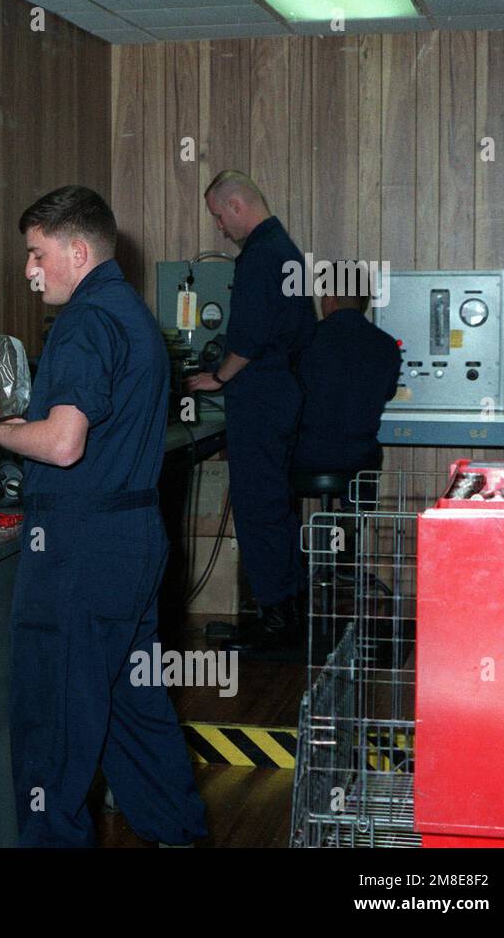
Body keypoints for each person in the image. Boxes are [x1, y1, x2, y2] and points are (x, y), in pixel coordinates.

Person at [0, 185, 207, 847]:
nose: (29, 270)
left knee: (52, 732)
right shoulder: (131, 316)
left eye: (37, 254)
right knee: (133, 712)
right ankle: (181, 835)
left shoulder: (82, 323)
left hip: (78, 551)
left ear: (76, 249)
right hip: (131, 541)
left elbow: (64, 443)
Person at [184, 170, 316, 649]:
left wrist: (217, 377)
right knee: (275, 503)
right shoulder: (285, 250)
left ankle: (275, 621)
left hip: (261, 399)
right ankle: (288, 608)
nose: (220, 228)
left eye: (219, 217)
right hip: (283, 393)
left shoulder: (261, 256)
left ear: (237, 206)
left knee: (258, 505)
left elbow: (250, 336)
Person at [293, 262, 401, 476]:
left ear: (330, 298)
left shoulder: (305, 340)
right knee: (366, 464)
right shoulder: (387, 345)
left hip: (307, 455)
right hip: (360, 457)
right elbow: (388, 393)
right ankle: (359, 510)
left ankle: (291, 511)